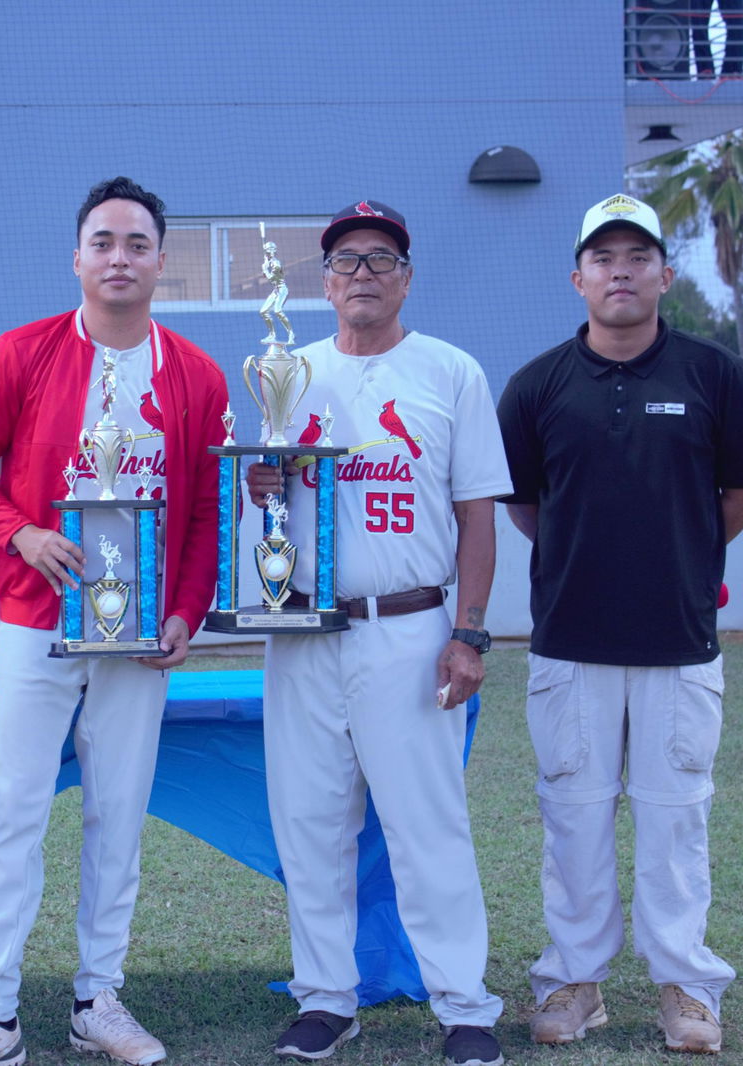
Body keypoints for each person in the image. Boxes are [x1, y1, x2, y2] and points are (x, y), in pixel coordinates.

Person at [0, 176, 227, 1066]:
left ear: (161, 261)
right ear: (77, 257)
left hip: (138, 635)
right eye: (103, 242)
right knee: (15, 808)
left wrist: (187, 610)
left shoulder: (200, 375)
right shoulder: (21, 352)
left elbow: (208, 510)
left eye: (137, 244)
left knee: (119, 813)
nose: (119, 258)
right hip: (32, 618)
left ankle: (99, 1000)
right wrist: (17, 532)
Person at [496, 194, 743, 1055]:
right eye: (604, 258)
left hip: (677, 643)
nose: (621, 271)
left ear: (665, 272)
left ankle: (686, 989)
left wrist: (675, 557)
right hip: (571, 643)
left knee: (674, 818)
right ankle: (573, 985)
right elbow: (528, 507)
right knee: (573, 817)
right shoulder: (537, 385)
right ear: (577, 277)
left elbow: (742, 494)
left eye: (637, 256)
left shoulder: (715, 376)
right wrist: (596, 559)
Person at [245, 200, 511, 1066]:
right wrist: (261, 490)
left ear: (407, 275)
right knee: (311, 824)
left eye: (381, 258)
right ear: (324, 282)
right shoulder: (289, 373)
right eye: (347, 260)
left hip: (410, 624)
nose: (363, 273)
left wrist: (470, 631)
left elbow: (477, 516)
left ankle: (465, 1006)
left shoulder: (450, 372)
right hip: (307, 633)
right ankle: (326, 998)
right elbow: (270, 507)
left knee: (426, 825)